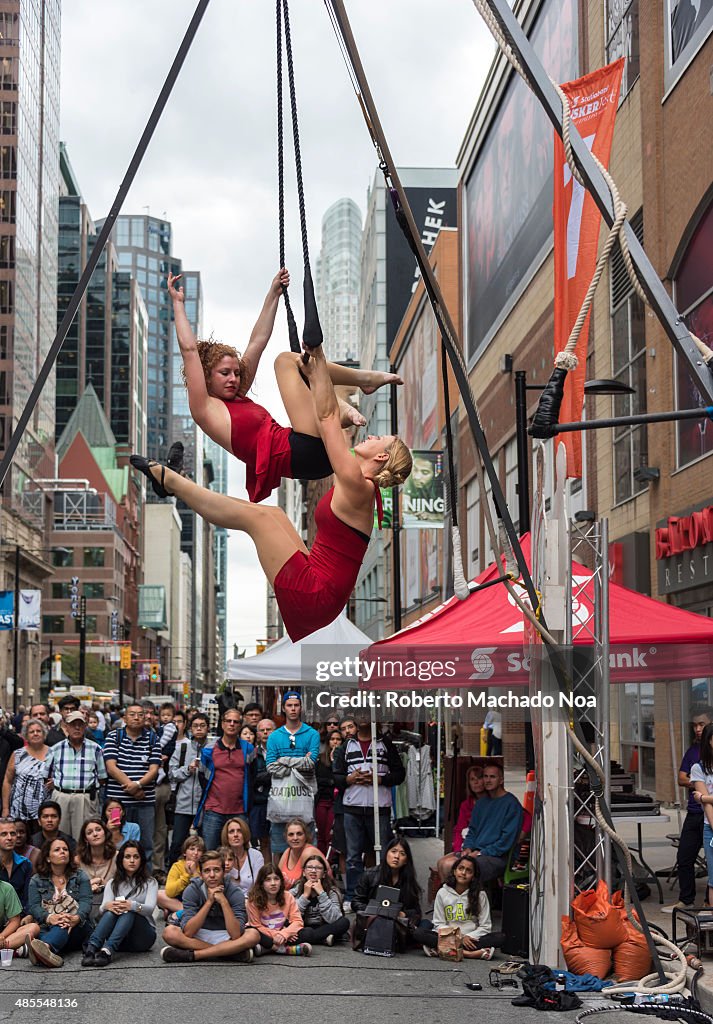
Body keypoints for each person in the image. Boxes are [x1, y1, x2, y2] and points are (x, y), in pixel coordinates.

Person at [130, 343, 412, 644]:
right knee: (272, 514)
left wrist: (318, 370)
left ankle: (169, 480)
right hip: (317, 582)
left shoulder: (358, 483)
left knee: (260, 519)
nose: (371, 436)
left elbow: (328, 417)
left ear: (381, 458)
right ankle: (170, 481)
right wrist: (313, 373)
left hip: (317, 594)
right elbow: (329, 418)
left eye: (379, 439)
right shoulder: (358, 481)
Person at [169, 268, 401, 504]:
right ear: (206, 377)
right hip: (303, 452)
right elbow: (189, 351)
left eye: (237, 373)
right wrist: (178, 305)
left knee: (300, 366)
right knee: (286, 361)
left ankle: (350, 404)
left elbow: (257, 341)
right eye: (225, 373)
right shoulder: (204, 408)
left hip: (307, 451)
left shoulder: (236, 396)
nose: (234, 379)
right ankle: (363, 382)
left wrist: (273, 294)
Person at [333, 715, 406, 907]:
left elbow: (400, 774)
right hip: (352, 807)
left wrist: (380, 780)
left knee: (384, 854)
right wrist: (350, 779)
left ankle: (382, 897)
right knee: (353, 856)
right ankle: (352, 897)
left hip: (379, 807)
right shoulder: (346, 746)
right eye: (360, 714)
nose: (364, 718)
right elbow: (336, 777)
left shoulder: (386, 744)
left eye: (368, 713)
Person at [161, 849, 260, 963]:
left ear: (224, 872)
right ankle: (230, 953)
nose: (212, 875)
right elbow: (188, 932)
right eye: (207, 871)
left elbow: (236, 934)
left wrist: (224, 902)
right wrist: (209, 902)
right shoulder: (192, 890)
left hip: (226, 935)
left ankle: (196, 955)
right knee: (169, 932)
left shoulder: (235, 892)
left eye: (217, 870)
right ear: (201, 875)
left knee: (253, 935)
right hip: (199, 935)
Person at [439, 764, 523, 883]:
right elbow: (472, 830)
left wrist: (481, 853)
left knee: (452, 866)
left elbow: (506, 841)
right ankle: (450, 900)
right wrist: (467, 847)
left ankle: (465, 900)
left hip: (497, 856)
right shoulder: (481, 803)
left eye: (492, 777)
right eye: (485, 776)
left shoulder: (511, 804)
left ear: (501, 780)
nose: (488, 780)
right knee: (442, 863)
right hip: (476, 851)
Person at [102, 703, 162, 870]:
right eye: (132, 714)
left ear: (146, 717)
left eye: (140, 714)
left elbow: (154, 769)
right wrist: (133, 788)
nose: (136, 717)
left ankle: (145, 882)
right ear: (124, 718)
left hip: (145, 802)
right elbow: (111, 767)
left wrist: (138, 785)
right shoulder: (114, 736)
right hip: (118, 803)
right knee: (116, 842)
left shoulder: (152, 738)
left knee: (146, 845)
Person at [665, 708, 712, 912]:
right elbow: (682, 778)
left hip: (705, 810)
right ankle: (686, 899)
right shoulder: (693, 753)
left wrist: (703, 793)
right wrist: (700, 787)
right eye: (695, 725)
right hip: (695, 813)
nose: (698, 728)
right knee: (684, 857)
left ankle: (708, 903)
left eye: (702, 724)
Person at [81, 840, 157, 966]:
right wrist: (107, 906)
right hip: (120, 938)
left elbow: (149, 909)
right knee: (111, 911)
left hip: (143, 937)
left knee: (129, 911)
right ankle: (91, 949)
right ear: (121, 860)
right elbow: (101, 909)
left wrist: (132, 905)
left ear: (141, 860)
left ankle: (107, 951)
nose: (132, 860)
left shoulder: (150, 882)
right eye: (127, 857)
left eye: (136, 857)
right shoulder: (112, 883)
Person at [352, 837, 431, 953]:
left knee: (426, 924)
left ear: (406, 860)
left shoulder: (409, 881)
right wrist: (375, 909)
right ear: (386, 854)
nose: (396, 857)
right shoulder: (369, 875)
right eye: (393, 851)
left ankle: (417, 940)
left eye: (402, 853)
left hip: (397, 922)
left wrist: (402, 913)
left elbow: (416, 912)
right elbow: (356, 902)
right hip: (374, 920)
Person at [265, 692, 320, 857]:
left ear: (301, 708)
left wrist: (284, 760)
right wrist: (300, 761)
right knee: (278, 852)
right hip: (280, 802)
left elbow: (310, 764)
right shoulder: (274, 736)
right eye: (289, 705)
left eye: (296, 705)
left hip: (303, 800)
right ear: (284, 708)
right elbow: (271, 767)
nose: (293, 708)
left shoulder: (312, 734)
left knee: (308, 851)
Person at [27, 836, 92, 968]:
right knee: (53, 927)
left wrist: (76, 918)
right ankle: (48, 954)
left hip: (78, 927)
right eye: (57, 850)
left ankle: (45, 948)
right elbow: (34, 907)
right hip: (49, 926)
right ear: (48, 857)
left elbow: (86, 902)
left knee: (63, 924)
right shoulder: (36, 880)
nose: (63, 852)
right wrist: (50, 918)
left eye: (65, 849)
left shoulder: (80, 876)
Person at [194, 708, 254, 851]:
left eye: (236, 722)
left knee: (240, 852)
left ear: (240, 725)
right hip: (214, 810)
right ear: (222, 724)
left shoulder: (248, 749)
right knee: (210, 852)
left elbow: (252, 776)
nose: (232, 724)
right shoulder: (209, 750)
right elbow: (202, 777)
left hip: (239, 809)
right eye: (228, 721)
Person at [421, 855, 502, 959]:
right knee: (420, 933)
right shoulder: (442, 892)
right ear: (454, 871)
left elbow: (485, 926)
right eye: (461, 868)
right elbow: (439, 923)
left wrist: (468, 937)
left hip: (471, 938)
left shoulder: (480, 895)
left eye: (469, 871)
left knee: (500, 938)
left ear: (473, 876)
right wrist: (458, 938)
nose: (463, 873)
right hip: (449, 936)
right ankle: (470, 953)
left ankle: (443, 950)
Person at [42, 711, 107, 840]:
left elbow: (102, 777)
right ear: (66, 727)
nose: (77, 728)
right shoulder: (55, 749)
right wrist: (55, 782)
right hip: (61, 797)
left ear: (85, 726)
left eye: (80, 725)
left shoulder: (95, 749)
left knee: (84, 838)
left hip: (85, 798)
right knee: (60, 837)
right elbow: (45, 775)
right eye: (73, 725)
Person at [168, 712, 212, 865]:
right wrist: (188, 769)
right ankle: (173, 873)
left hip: (206, 804)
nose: (199, 729)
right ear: (190, 728)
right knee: (177, 842)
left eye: (202, 726)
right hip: (183, 803)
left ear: (208, 728)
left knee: (205, 844)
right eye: (195, 726)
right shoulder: (183, 748)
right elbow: (171, 774)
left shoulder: (213, 748)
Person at [246, 863, 311, 956]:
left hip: (282, 934)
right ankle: (283, 950)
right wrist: (276, 935)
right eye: (268, 880)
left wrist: (284, 934)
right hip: (263, 934)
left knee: (307, 932)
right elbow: (256, 925)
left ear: (281, 881)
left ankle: (266, 949)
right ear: (261, 883)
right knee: (252, 933)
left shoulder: (288, 896)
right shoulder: (253, 900)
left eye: (276, 879)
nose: (273, 883)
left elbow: (297, 921)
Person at [435, 765, 486, 880]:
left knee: (449, 865)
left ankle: (457, 893)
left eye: (479, 778)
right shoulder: (466, 804)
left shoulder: (491, 802)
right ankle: (448, 894)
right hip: (465, 846)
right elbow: (458, 829)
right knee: (441, 863)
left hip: (479, 847)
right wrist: (459, 849)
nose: (476, 782)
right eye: (472, 779)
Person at [291, 853, 350, 946]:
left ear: (324, 874)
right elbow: (289, 917)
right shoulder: (296, 890)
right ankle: (323, 939)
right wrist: (305, 896)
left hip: (324, 926)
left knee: (344, 922)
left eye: (318, 868)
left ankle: (312, 938)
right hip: (303, 928)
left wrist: (322, 894)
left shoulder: (332, 891)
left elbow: (335, 918)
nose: (313, 871)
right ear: (303, 872)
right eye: (309, 867)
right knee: (304, 931)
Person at [1, 717, 51, 824]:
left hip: (46, 812)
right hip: (19, 810)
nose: (35, 734)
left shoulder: (53, 753)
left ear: (44, 734)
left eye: (38, 731)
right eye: (31, 732)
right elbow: (7, 781)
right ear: (26, 736)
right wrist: (5, 809)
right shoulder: (17, 754)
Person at [74, 818, 117, 924]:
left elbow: (124, 887)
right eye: (89, 832)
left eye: (98, 830)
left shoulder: (118, 857)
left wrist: (106, 885)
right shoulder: (77, 860)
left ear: (105, 833)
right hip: (85, 904)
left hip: (111, 902)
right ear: (85, 839)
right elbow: (71, 889)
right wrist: (87, 887)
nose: (95, 834)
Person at [691, 722, 713, 905]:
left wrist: (704, 798)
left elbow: (705, 800)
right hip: (711, 828)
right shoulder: (699, 769)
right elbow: (708, 810)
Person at [158, 836, 205, 916]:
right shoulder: (177, 866)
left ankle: (175, 911)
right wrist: (187, 875)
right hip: (180, 899)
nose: (196, 853)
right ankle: (186, 912)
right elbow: (169, 892)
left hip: (197, 901)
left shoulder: (204, 866)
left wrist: (194, 872)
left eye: (199, 850)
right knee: (159, 894)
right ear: (184, 852)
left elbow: (203, 892)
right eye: (192, 849)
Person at [250, 718, 275, 862]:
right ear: (257, 733)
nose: (265, 733)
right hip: (260, 802)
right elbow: (253, 778)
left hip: (279, 801)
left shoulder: (281, 751)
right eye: (262, 730)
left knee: (279, 841)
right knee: (263, 841)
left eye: (269, 729)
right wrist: (272, 773)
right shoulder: (253, 753)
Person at [315, 730, 342, 858]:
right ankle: (321, 862)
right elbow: (317, 779)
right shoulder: (320, 759)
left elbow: (340, 778)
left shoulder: (342, 759)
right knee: (320, 834)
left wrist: (335, 761)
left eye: (338, 739)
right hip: (321, 800)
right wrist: (330, 782)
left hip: (335, 801)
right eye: (332, 739)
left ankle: (329, 862)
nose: (335, 742)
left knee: (329, 835)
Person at [221, 817, 264, 895]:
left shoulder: (256, 855)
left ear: (245, 834)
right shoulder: (220, 857)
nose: (236, 835)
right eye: (231, 832)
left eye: (239, 831)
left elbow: (259, 886)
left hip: (251, 900)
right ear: (226, 836)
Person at [0, 877, 40, 958]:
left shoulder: (6, 888)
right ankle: (14, 952)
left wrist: (2, 936)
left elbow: (14, 921)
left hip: (2, 934)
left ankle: (5, 949)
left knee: (33, 928)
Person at [277, 818, 322, 888]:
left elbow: (310, 887)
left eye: (299, 834)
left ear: (306, 836)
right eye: (291, 834)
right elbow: (277, 878)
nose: (295, 838)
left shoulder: (309, 852)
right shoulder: (287, 851)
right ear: (286, 837)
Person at [0, 817, 32, 912]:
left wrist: (27, 916)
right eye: (4, 834)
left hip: (19, 916)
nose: (9, 838)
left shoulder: (25, 864)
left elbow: (27, 898)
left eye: (12, 833)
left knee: (33, 927)